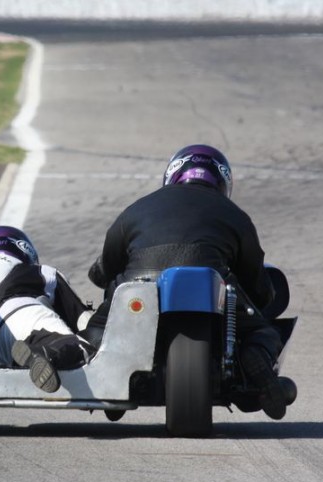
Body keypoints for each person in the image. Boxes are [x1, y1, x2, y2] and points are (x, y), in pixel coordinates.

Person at [84, 144, 295, 420]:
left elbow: (106, 269)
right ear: (222, 182)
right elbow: (256, 283)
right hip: (214, 282)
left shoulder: (138, 207)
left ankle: (110, 363)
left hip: (140, 286)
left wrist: (104, 277)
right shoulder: (235, 214)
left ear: (172, 175)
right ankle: (253, 356)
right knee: (263, 332)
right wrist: (262, 305)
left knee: (96, 328)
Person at [0, 225, 95, 393]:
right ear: (23, 249)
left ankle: (28, 357)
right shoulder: (40, 272)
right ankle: (44, 352)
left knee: (21, 347)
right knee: (81, 348)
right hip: (21, 313)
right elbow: (81, 319)